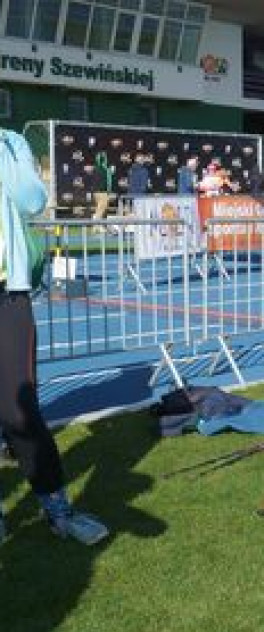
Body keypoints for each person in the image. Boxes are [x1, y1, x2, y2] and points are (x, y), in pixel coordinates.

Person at [0, 128, 108, 545]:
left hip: (8, 296)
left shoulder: (10, 144)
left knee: (19, 412)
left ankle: (58, 509)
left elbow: (31, 201)